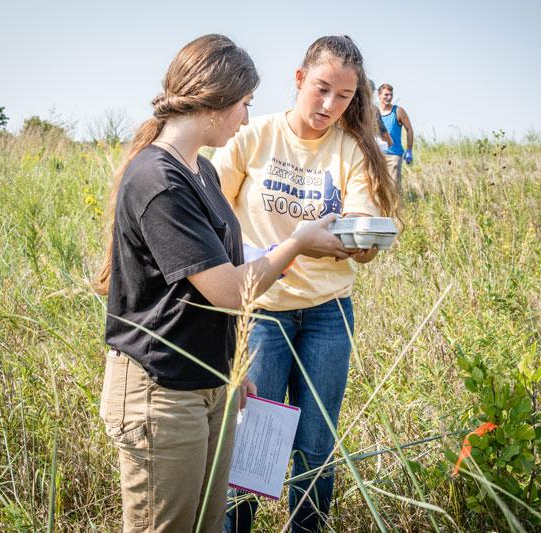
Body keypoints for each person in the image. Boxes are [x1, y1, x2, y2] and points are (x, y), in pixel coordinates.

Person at [94, 34, 350, 533]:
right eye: (244, 104)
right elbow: (231, 291)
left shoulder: (202, 172)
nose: (247, 119)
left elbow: (213, 282)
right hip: (160, 390)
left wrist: (230, 368)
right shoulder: (158, 181)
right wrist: (296, 243)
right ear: (214, 102)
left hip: (210, 384)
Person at [212, 35, 400, 532]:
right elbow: (208, 209)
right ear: (298, 79)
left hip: (328, 315)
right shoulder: (256, 136)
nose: (329, 105)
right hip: (263, 312)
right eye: (320, 89)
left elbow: (360, 212)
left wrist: (361, 238)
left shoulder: (351, 150)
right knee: (253, 447)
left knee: (316, 445)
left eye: (342, 97)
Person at [378, 83, 414, 193]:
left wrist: (409, 150)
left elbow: (409, 130)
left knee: (393, 190)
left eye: (391, 95)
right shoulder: (374, 111)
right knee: (377, 189)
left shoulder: (398, 111)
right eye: (386, 95)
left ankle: (394, 210)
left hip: (393, 156)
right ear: (379, 95)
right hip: (377, 155)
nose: (389, 97)